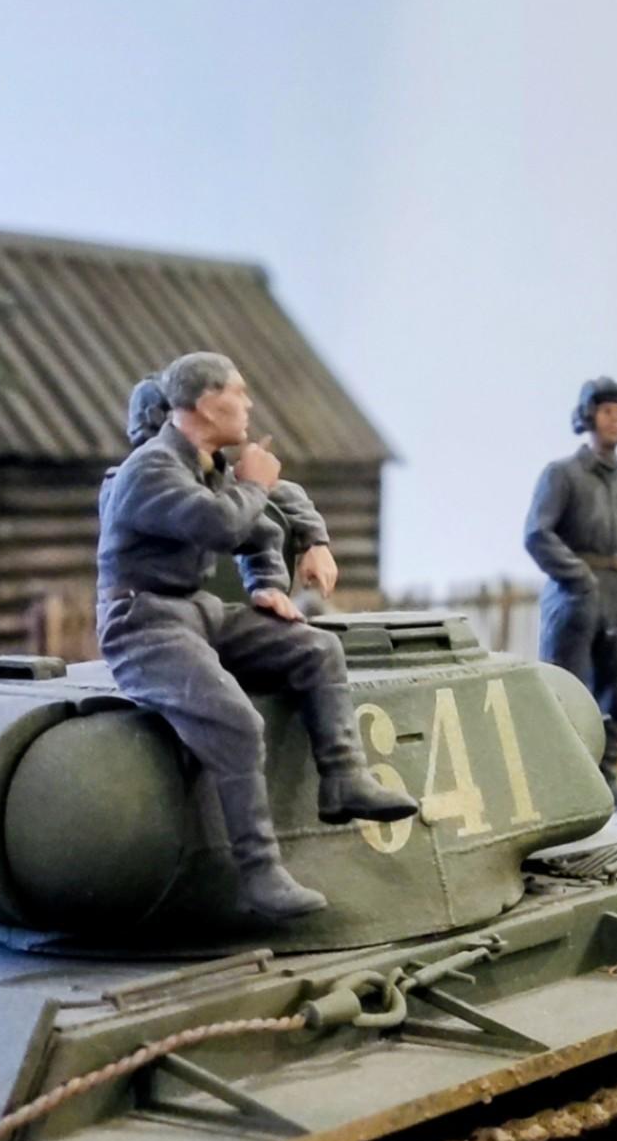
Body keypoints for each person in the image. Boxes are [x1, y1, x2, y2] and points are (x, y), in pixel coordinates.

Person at [97, 352, 417, 924]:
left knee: (316, 648)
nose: (247, 403)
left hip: (194, 609)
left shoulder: (205, 465)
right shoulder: (148, 469)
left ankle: (344, 779)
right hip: (142, 622)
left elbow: (261, 528)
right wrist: (252, 484)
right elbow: (220, 524)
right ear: (203, 404)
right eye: (237, 392)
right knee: (237, 722)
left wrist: (268, 584)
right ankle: (259, 872)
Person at [524, 377, 617, 783]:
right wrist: (578, 577)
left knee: (615, 699)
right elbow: (537, 534)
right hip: (574, 598)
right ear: (589, 416)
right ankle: (566, 784)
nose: (615, 421)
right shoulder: (562, 475)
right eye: (607, 411)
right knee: (568, 695)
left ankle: (606, 782)